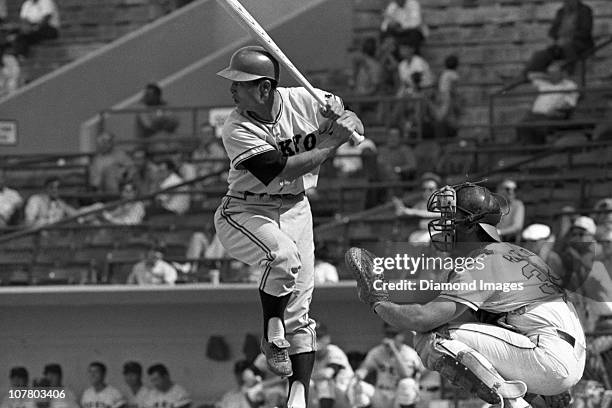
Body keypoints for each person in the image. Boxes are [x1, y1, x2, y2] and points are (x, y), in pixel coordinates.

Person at [213, 45, 363, 408]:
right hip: (246, 210)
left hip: (296, 208)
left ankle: (298, 395)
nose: (232, 89)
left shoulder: (304, 100)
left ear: (265, 88)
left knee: (300, 311)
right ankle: (270, 331)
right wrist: (333, 141)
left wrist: (342, 117)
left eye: (240, 83)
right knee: (282, 257)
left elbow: (355, 122)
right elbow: (282, 169)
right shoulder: (235, 125)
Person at [346, 182, 587, 408]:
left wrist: (377, 299)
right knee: (462, 336)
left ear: (472, 225)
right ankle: (541, 397)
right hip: (564, 355)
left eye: (452, 219)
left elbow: (422, 319)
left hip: (547, 355)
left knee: (432, 337)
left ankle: (515, 403)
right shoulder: (518, 252)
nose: (444, 225)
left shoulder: (482, 261)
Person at [355, 323, 424, 408]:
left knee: (407, 383)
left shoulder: (409, 353)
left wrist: (394, 350)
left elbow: (406, 374)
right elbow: (365, 367)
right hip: (380, 393)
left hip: (398, 396)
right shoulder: (377, 351)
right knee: (359, 385)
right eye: (388, 334)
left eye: (394, 335)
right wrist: (360, 373)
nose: (390, 338)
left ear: (401, 336)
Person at [521, 0, 593, 77]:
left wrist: (568, 39)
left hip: (578, 45)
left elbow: (585, 31)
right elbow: (552, 31)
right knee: (540, 55)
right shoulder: (561, 12)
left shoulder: (585, 10)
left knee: (568, 48)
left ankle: (569, 75)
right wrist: (552, 39)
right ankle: (524, 76)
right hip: (559, 45)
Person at [515, 62, 579, 145]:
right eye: (550, 73)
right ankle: (531, 149)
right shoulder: (544, 83)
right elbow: (530, 75)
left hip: (552, 115)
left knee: (533, 127)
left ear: (561, 73)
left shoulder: (569, 85)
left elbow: (570, 103)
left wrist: (558, 110)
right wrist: (546, 77)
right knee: (520, 125)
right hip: (534, 114)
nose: (552, 75)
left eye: (555, 73)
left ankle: (534, 149)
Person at [310, 322, 354, 408]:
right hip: (328, 396)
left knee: (324, 383)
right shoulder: (310, 356)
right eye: (313, 337)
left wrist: (305, 376)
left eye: (319, 337)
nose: (316, 340)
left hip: (346, 393)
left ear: (327, 339)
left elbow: (327, 374)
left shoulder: (334, 351)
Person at [392, 173, 441, 243]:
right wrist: (401, 210)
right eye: (424, 189)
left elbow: (436, 214)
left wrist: (411, 211)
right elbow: (407, 212)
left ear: (438, 190)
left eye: (430, 189)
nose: (427, 192)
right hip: (422, 234)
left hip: (439, 236)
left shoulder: (444, 203)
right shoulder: (420, 204)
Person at [135, 83, 179, 151]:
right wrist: (164, 120)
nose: (145, 97)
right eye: (145, 94)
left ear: (157, 96)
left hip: (165, 136)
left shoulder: (165, 105)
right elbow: (149, 125)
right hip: (147, 140)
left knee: (177, 143)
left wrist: (160, 121)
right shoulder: (141, 106)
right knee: (163, 147)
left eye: (148, 95)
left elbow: (175, 122)